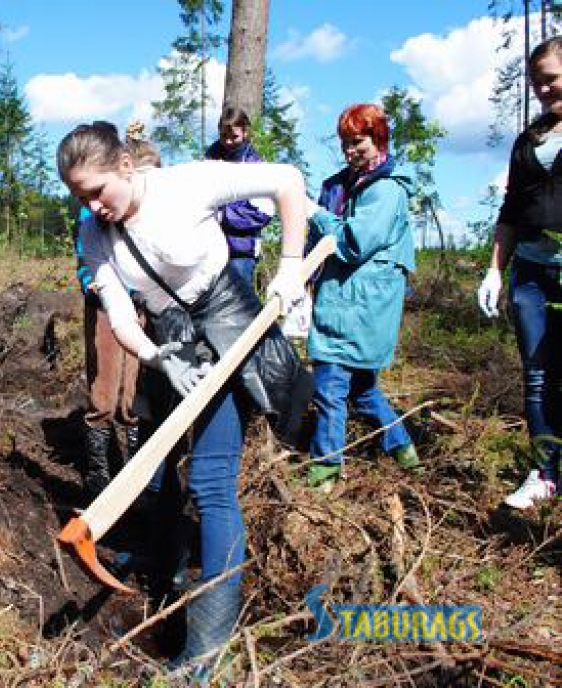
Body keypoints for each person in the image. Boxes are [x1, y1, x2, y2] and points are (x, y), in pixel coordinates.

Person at [58, 121, 314, 675]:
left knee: (212, 481)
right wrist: (157, 359)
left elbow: (287, 181)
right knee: (158, 467)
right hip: (174, 341)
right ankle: (165, 573)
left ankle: (206, 651)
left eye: (97, 192)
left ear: (126, 166)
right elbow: (120, 312)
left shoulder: (186, 184)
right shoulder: (96, 233)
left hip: (228, 325)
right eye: (81, 197)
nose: (93, 206)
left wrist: (291, 268)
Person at [304, 103, 419, 490]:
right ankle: (403, 449)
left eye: (359, 142)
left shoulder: (384, 190)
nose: (351, 150)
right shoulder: (351, 183)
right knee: (362, 389)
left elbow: (352, 243)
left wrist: (315, 214)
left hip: (355, 310)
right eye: (346, 143)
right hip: (349, 306)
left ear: (379, 140)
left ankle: (324, 470)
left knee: (330, 386)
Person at [478, 36, 562, 509]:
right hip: (531, 272)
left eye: (550, 79)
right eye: (536, 83)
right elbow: (510, 210)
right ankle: (546, 473)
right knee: (538, 376)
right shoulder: (529, 140)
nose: (543, 90)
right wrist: (495, 270)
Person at [73, 121, 160, 500]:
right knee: (103, 390)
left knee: (135, 395)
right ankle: (99, 475)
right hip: (106, 306)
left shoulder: (156, 210)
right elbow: (84, 257)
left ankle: (139, 475)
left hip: (144, 305)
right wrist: (88, 280)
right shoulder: (94, 213)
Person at [205, 107, 274, 286]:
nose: (228, 142)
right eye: (223, 136)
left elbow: (262, 213)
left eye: (234, 136)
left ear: (245, 132)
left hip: (240, 252)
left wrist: (222, 215)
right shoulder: (209, 162)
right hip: (208, 250)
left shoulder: (256, 167)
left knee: (239, 309)